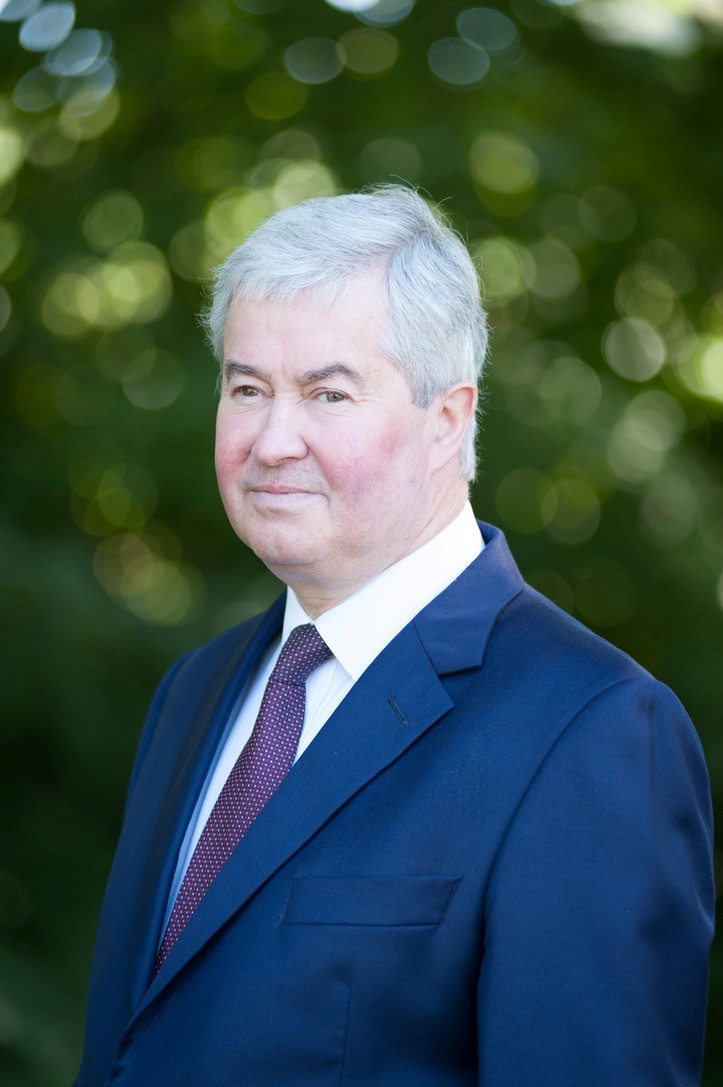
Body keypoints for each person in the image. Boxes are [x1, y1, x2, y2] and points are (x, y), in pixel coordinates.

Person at [76, 186, 714, 1086]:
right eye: (246, 387)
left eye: (327, 393)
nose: (271, 440)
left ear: (446, 420)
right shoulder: (196, 690)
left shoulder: (592, 730)